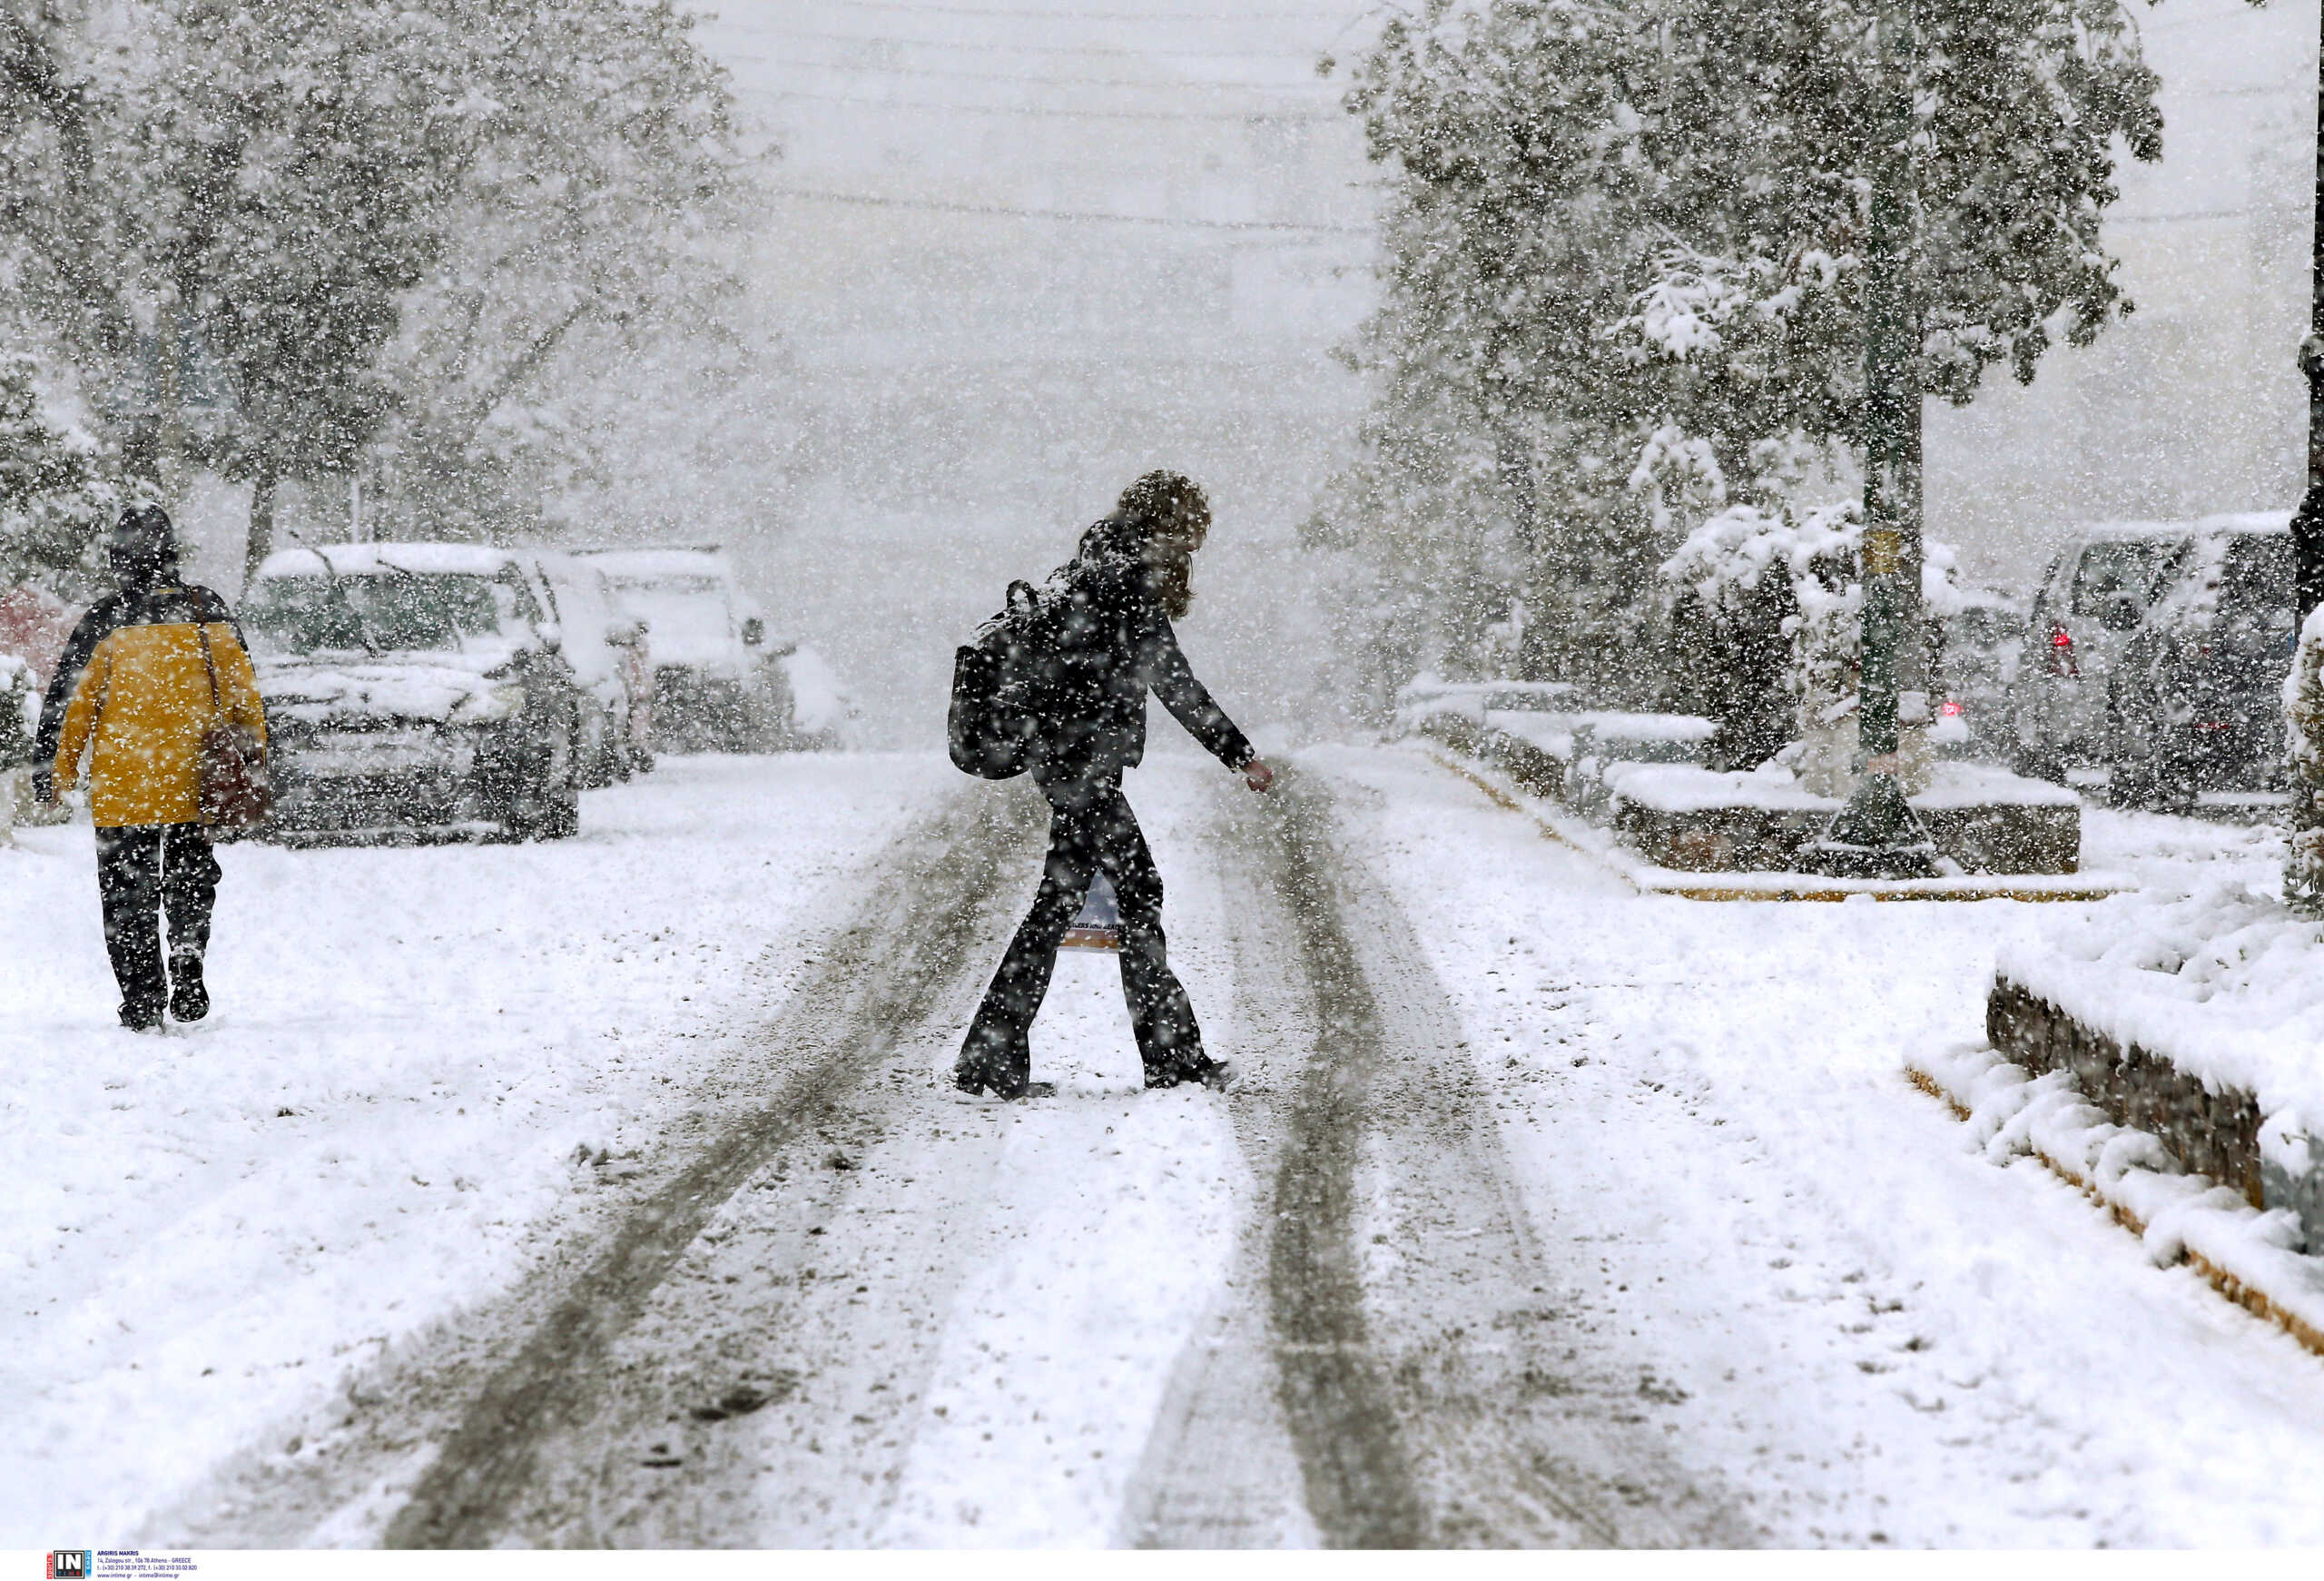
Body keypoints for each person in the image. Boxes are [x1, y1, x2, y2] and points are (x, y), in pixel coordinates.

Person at [956, 470, 1275, 1100]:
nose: (1192, 548)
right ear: (1169, 526)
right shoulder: (1126, 582)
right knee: (1136, 891)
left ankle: (989, 1054)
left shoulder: (1088, 566)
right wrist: (1239, 754)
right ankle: (1173, 1058)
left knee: (1060, 902)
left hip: (1064, 756)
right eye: (1189, 532)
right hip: (1082, 764)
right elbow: (1174, 681)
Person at [35, 505, 266, 1031]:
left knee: (126, 895)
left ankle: (141, 1000)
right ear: (173, 555)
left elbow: (70, 705)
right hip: (196, 779)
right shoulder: (208, 610)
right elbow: (243, 696)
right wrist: (253, 765)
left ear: (119, 559)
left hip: (125, 784)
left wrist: (54, 770)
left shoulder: (105, 620)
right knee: (190, 877)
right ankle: (187, 958)